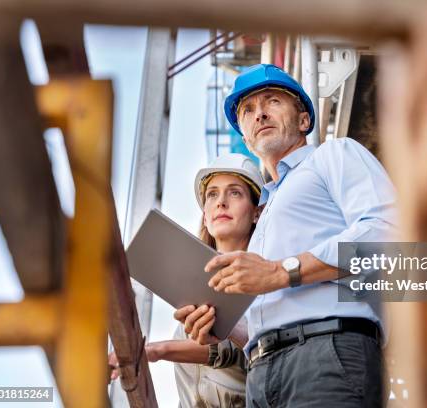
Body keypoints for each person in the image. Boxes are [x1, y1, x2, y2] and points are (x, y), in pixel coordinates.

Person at [175, 64, 398, 407]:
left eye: (272, 101)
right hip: (262, 374)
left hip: (328, 353)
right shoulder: (265, 216)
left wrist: (281, 271)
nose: (259, 113)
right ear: (247, 140)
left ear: (304, 121)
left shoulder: (333, 156)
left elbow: (385, 231)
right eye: (247, 110)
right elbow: (269, 316)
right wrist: (222, 327)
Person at [110, 153, 264, 408]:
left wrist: (156, 351)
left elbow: (240, 350)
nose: (221, 203)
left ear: (256, 213)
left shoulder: (266, 282)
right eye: (212, 194)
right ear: (205, 216)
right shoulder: (190, 301)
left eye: (235, 193)